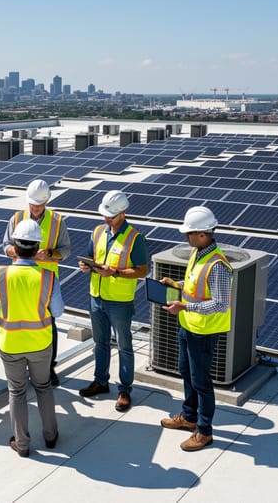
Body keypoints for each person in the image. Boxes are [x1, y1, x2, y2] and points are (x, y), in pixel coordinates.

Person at [0, 220, 63, 457]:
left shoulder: (0, 275)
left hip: (10, 344)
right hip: (40, 343)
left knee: (16, 392)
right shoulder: (48, 277)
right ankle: (50, 436)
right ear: (37, 246)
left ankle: (22, 443)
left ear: (15, 247)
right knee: (43, 388)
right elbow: (57, 312)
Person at [159, 206, 232, 452]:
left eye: (188, 233)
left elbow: (221, 304)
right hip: (188, 326)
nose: (185, 237)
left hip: (203, 331)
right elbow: (194, 286)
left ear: (202, 233)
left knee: (201, 382)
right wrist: (174, 284)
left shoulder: (218, 265)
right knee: (186, 373)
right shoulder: (198, 253)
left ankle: (204, 431)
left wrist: (185, 307)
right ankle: (189, 417)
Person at [77, 190, 148, 412]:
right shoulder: (98, 231)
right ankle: (101, 381)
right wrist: (86, 265)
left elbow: (142, 271)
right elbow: (91, 256)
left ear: (123, 213)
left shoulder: (135, 238)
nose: (107, 219)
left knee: (124, 346)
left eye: (111, 216)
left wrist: (115, 272)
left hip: (119, 301)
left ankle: (125, 389)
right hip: (96, 297)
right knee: (101, 343)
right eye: (105, 215)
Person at [1, 179, 71, 386]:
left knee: (50, 324)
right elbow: (5, 245)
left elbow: (66, 250)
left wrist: (49, 253)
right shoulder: (16, 218)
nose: (36, 208)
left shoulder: (57, 222)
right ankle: (22, 366)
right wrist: (18, 250)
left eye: (40, 204)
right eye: (33, 204)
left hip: (45, 282)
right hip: (21, 280)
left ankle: (49, 368)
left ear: (47, 201)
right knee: (22, 325)